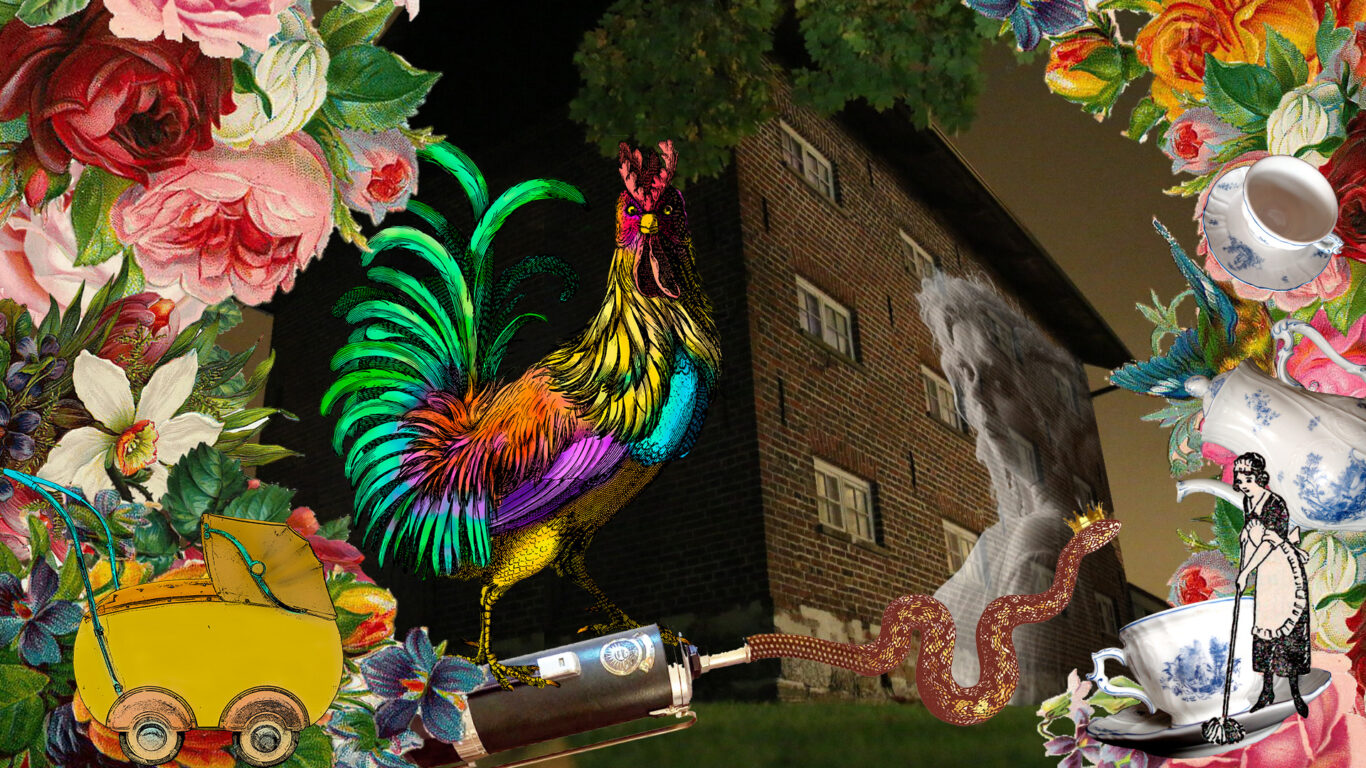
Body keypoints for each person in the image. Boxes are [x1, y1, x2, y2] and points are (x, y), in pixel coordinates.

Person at [1232, 452, 1312, 718]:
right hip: (1266, 574)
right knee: (1264, 627)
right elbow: (1251, 537)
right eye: (1240, 478)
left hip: (1283, 570)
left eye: (1248, 478)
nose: (1243, 483)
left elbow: (1268, 543)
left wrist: (1245, 572)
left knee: (1286, 630)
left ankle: (1295, 692)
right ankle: (1266, 692)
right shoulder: (1247, 501)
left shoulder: (1275, 503)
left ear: (1260, 477)